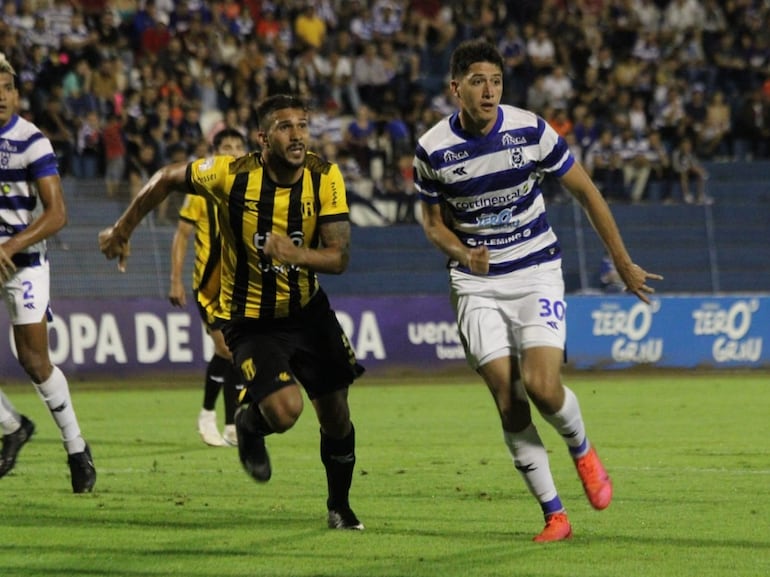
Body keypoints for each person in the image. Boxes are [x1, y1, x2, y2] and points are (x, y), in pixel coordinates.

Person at [412, 40, 662, 542]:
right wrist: (464, 255)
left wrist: (621, 260)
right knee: (508, 399)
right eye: (478, 81)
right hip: (476, 283)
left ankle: (582, 449)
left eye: (497, 81)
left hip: (535, 270)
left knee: (544, 387)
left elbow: (587, 192)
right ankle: (555, 514)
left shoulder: (530, 130)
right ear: (456, 87)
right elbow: (432, 223)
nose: (489, 91)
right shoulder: (432, 148)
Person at [99, 94, 366, 530]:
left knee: (336, 414)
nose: (297, 134)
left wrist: (295, 253)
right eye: (284, 126)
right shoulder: (230, 174)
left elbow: (339, 258)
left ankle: (339, 506)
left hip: (307, 312)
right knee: (285, 412)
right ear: (263, 138)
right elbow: (166, 177)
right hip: (250, 318)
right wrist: (122, 229)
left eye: (302, 124)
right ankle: (248, 422)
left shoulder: (325, 176)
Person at [0, 55, 96, 493]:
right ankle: (13, 426)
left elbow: (58, 214)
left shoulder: (31, 141)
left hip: (23, 262)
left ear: (17, 94)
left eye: (6, 87)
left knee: (35, 362)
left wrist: (10, 245)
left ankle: (76, 448)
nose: (0, 96)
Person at [169, 128, 246, 447]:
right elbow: (183, 235)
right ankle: (217, 420)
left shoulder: (251, 187)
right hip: (209, 286)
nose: (232, 152)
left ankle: (225, 423)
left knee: (232, 352)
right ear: (214, 153)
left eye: (237, 147)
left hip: (240, 285)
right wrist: (175, 280)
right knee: (227, 350)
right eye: (226, 147)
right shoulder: (200, 189)